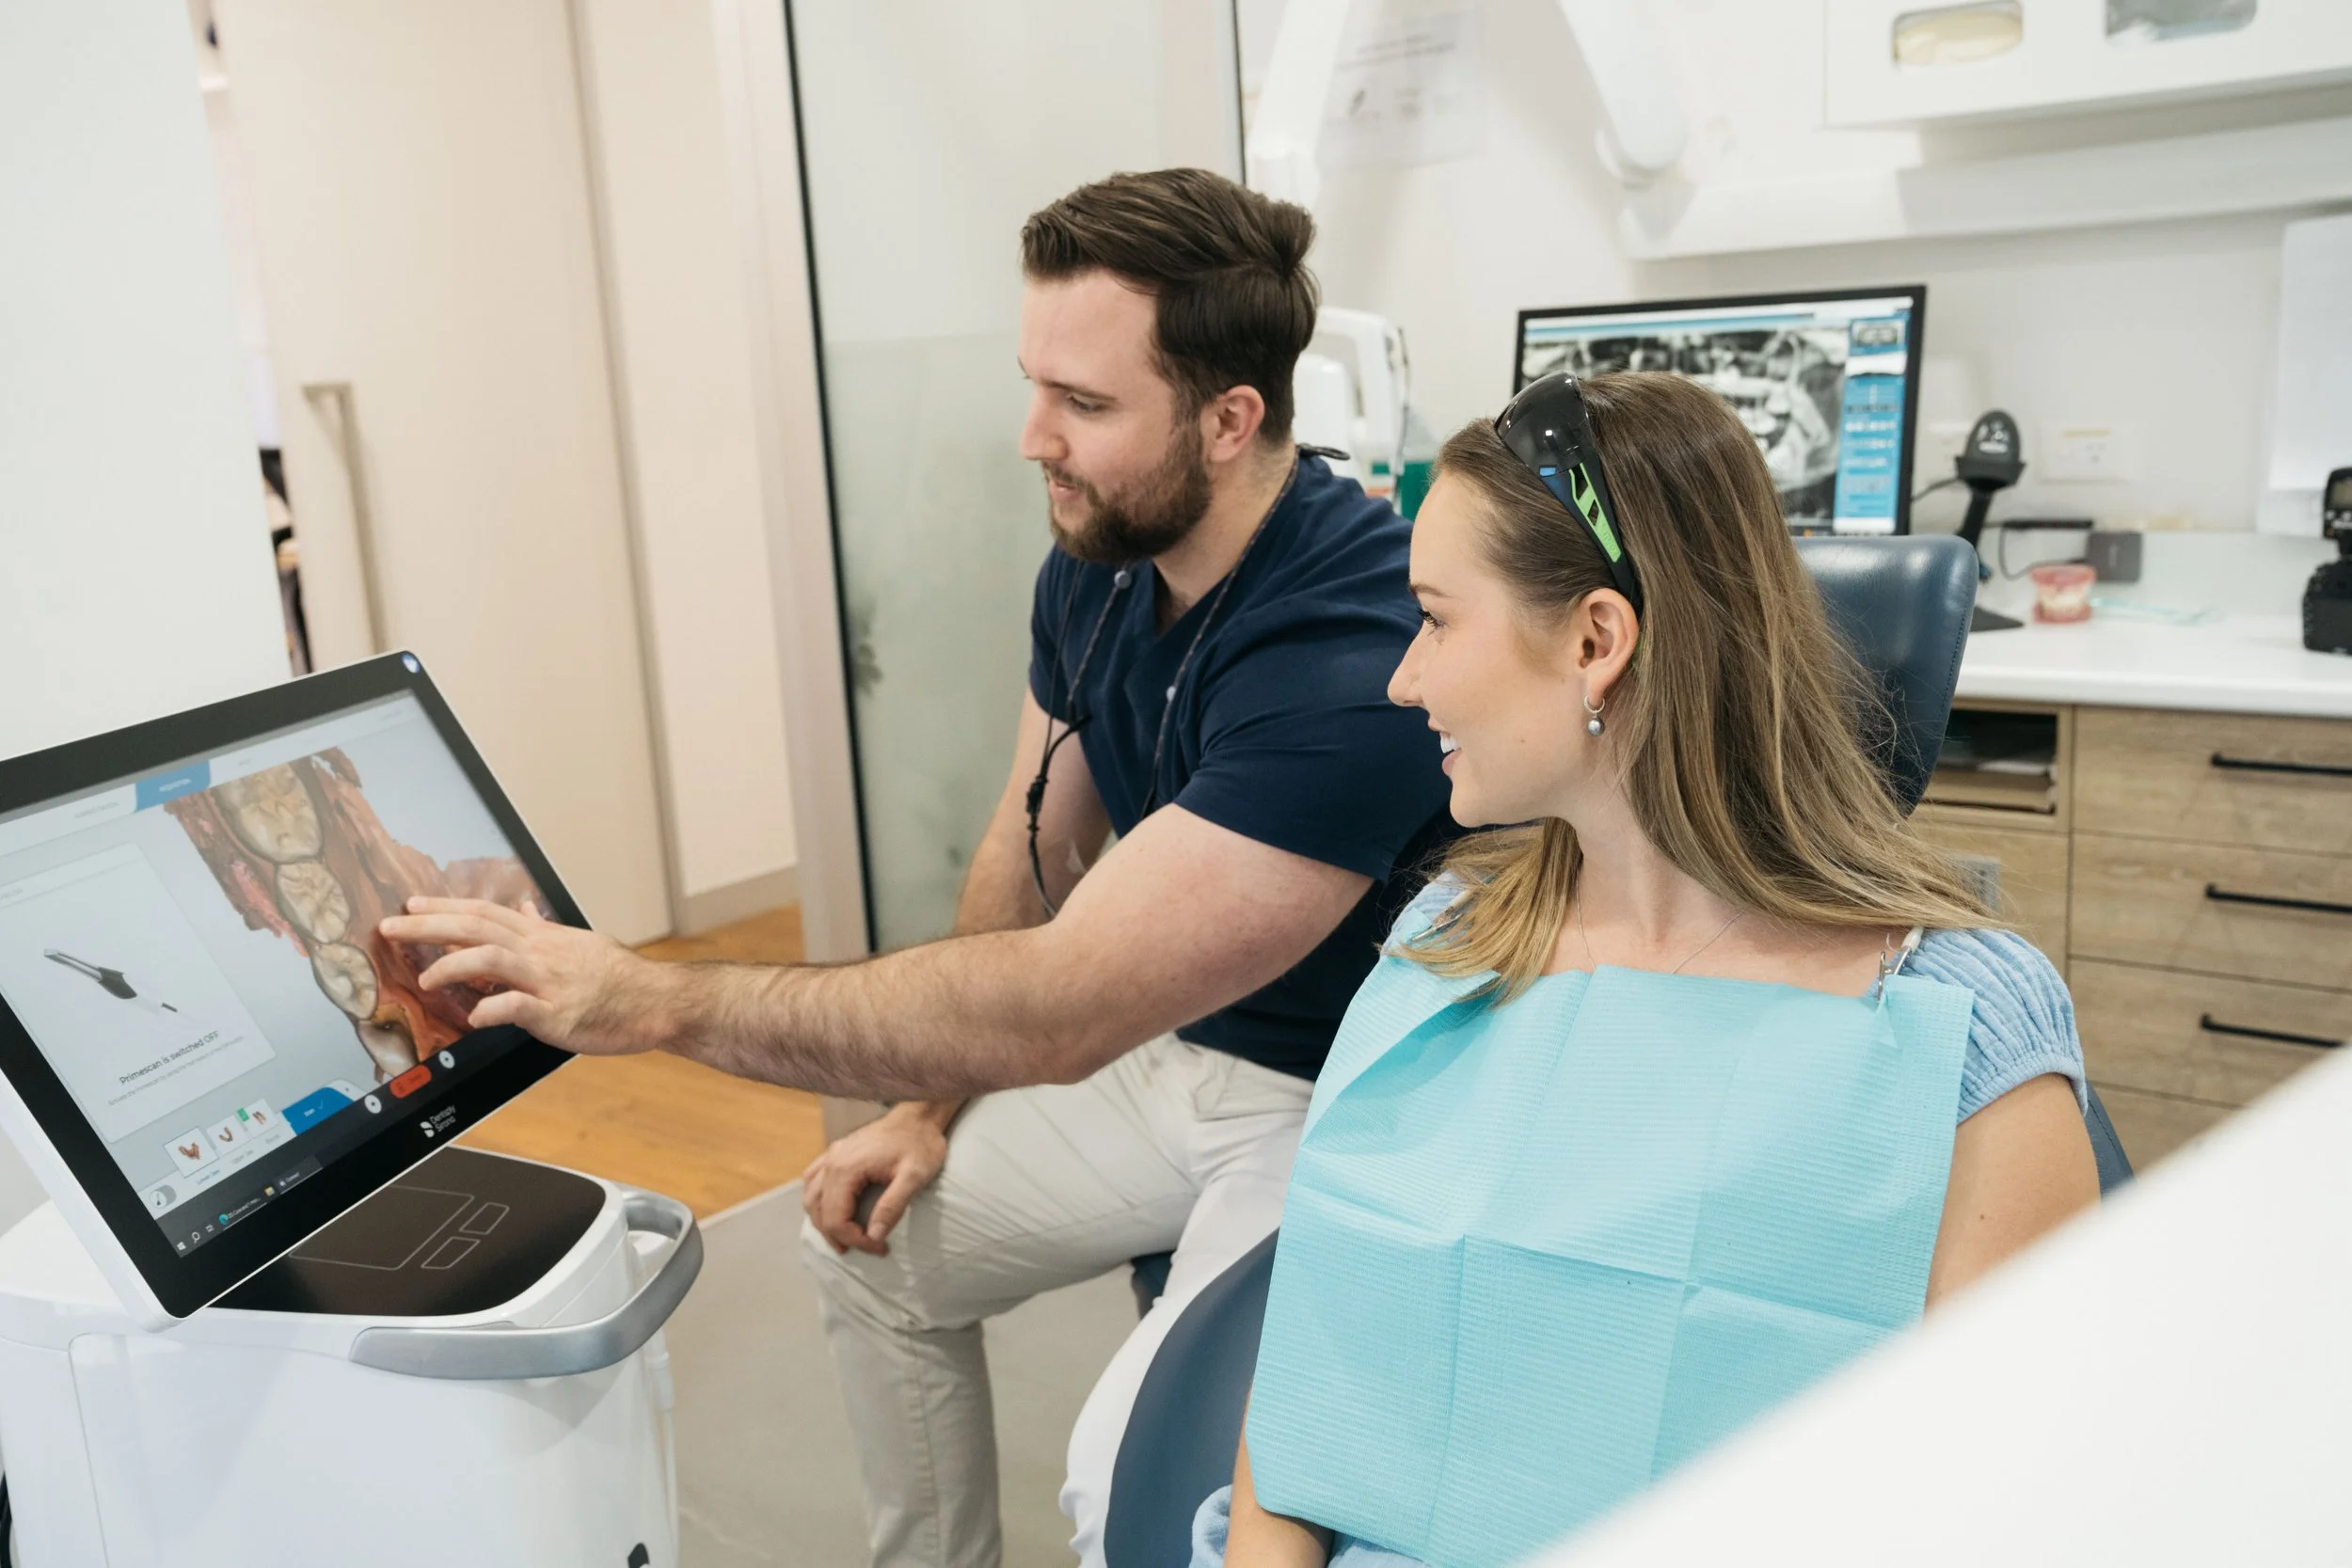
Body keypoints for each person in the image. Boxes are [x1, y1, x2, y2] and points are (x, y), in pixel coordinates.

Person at [379, 167, 1453, 1568]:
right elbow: (1036, 838)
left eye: (1085, 403)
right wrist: (923, 1108)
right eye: (1034, 385)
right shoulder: (1104, 561)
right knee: (865, 1242)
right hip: (1171, 1054)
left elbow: (1061, 1007)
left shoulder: (1350, 652)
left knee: (1124, 1487)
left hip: (1339, 1099)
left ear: (1231, 417)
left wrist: (653, 997)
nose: (1033, 440)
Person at [1196, 372, 2101, 1568]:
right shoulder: (1444, 945)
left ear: (1593, 638)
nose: (1402, 679)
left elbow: (2011, 1509)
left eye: (1434, 617)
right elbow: (1307, 1405)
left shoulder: (1957, 1027)